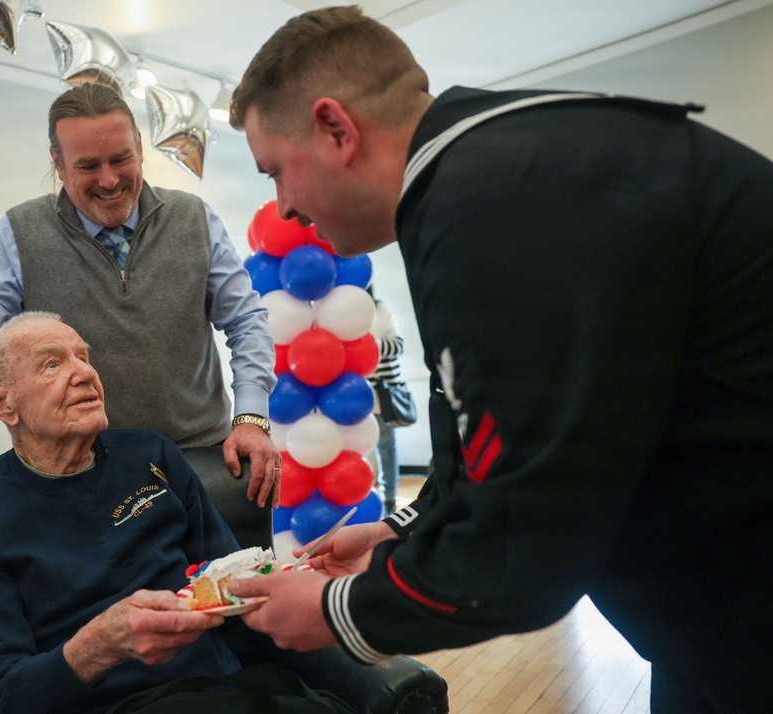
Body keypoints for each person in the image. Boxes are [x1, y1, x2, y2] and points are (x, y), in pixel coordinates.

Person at [224, 6, 773, 712]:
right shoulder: (499, 169)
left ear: (337, 128)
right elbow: (509, 439)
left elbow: (524, 551)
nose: (286, 206)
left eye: (276, 172)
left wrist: (338, 612)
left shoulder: (495, 204)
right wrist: (406, 529)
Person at [0, 312, 352, 714]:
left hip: (221, 689)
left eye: (84, 356)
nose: (84, 373)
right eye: (52, 364)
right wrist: (98, 645)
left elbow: (228, 580)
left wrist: (305, 587)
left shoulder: (151, 454)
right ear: (4, 405)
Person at [0, 83, 280, 516]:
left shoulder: (194, 218)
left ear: (140, 147)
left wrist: (251, 418)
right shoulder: (19, 234)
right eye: (88, 166)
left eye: (121, 158)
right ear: (59, 165)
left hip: (198, 457)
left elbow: (246, 320)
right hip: (80, 471)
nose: (109, 180)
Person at [366, 287, 408, 515]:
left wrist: (368, 344)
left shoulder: (381, 311)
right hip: (349, 396)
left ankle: (390, 499)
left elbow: (399, 345)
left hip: (381, 395)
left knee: (385, 446)